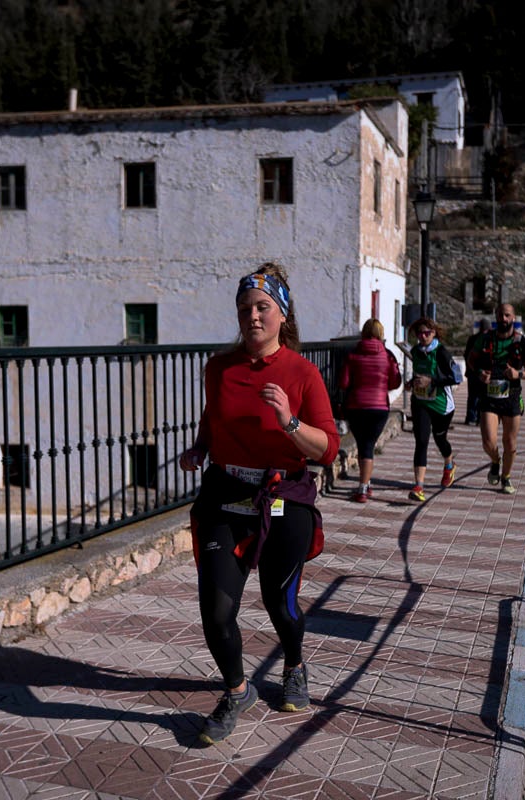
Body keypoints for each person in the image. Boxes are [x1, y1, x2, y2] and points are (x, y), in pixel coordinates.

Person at [177, 262, 340, 745]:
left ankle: (295, 664)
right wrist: (200, 448)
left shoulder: (302, 373)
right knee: (216, 610)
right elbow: (212, 416)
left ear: (282, 315)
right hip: (225, 496)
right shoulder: (219, 368)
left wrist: (289, 421)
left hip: (282, 498)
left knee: (279, 604)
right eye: (245, 308)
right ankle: (237, 690)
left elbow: (328, 449)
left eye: (263, 307)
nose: (252, 316)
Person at [472, 303, 525, 495]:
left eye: (507, 315)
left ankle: (506, 477)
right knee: (488, 441)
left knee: (510, 442)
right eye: (500, 315)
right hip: (489, 396)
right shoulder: (485, 339)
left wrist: (518, 374)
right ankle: (495, 460)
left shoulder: (520, 341)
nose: (503, 319)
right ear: (496, 317)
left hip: (512, 397)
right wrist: (479, 372)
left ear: (513, 318)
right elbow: (471, 360)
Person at [339, 318, 402, 503]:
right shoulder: (388, 355)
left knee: (362, 446)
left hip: (356, 406)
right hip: (379, 407)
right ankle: (363, 487)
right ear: (381, 334)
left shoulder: (352, 354)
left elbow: (343, 383)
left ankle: (365, 483)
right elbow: (395, 382)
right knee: (368, 446)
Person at [405, 316, 460, 502]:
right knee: (421, 441)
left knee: (440, 439)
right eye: (419, 333)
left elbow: (456, 378)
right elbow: (419, 374)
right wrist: (411, 383)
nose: (422, 336)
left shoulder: (442, 352)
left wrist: (432, 381)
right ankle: (419, 486)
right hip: (420, 402)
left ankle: (449, 464)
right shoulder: (415, 351)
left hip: (442, 406)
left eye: (426, 333)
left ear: (434, 333)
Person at [463, 318, 491, 425]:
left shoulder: (473, 338)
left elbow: (466, 355)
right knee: (481, 396)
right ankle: (479, 418)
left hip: (473, 372)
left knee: (473, 396)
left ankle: (471, 417)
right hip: (479, 372)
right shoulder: (488, 339)